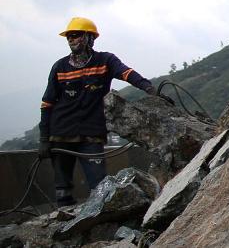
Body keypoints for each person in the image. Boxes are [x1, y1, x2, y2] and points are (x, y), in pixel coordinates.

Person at [39, 17, 164, 206]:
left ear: (90, 38)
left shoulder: (105, 61)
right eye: (69, 37)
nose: (72, 40)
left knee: (99, 186)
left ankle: (100, 224)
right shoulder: (60, 67)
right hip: (61, 135)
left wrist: (149, 89)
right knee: (62, 188)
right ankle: (66, 227)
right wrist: (43, 139)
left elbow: (127, 73)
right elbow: (47, 103)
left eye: (76, 35)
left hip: (91, 134)